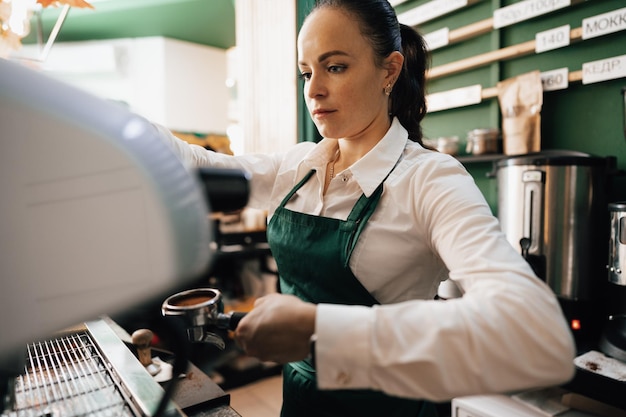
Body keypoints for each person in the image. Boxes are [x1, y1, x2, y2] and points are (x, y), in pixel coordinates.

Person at [155, 0, 576, 415]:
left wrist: (319, 330)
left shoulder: (430, 179)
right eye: (306, 72)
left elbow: (537, 336)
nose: (313, 89)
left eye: (334, 67)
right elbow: (197, 166)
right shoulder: (297, 165)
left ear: (389, 71)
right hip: (302, 401)